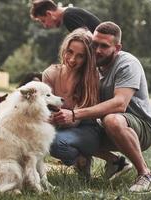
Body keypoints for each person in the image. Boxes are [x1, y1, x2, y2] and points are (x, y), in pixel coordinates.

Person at [54, 21, 151, 193]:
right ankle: (114, 163)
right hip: (107, 127)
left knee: (112, 119)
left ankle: (145, 174)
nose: (97, 50)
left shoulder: (127, 63)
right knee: (60, 138)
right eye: (94, 44)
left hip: (142, 127)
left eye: (104, 46)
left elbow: (120, 104)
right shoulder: (92, 67)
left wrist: (74, 114)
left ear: (117, 48)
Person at [43, 28, 100, 178]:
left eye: (80, 56)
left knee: (56, 143)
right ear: (64, 49)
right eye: (70, 52)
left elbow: (75, 122)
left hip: (87, 128)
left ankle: (83, 159)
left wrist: (53, 119)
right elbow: (45, 110)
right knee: (42, 135)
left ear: (87, 58)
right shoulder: (50, 74)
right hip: (60, 126)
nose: (73, 59)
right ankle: (80, 159)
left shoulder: (90, 78)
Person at [30, 0, 101, 33]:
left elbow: (86, 42)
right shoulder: (70, 13)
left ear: (49, 14)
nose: (45, 26)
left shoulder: (68, 16)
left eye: (43, 21)